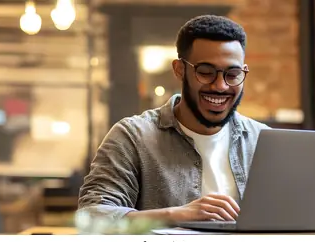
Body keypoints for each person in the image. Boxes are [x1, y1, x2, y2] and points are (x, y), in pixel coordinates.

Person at [78, 15, 269, 223]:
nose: (220, 86)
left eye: (232, 74)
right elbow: (92, 217)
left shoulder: (263, 140)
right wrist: (174, 215)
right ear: (180, 70)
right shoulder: (132, 137)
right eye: (205, 72)